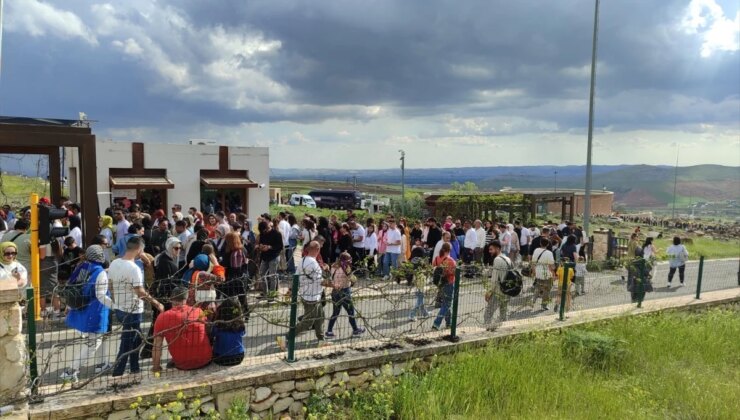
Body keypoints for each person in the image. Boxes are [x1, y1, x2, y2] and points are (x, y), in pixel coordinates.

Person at [108, 236, 164, 377]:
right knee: (126, 342)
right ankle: (118, 372)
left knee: (136, 338)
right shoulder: (134, 268)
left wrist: (116, 301)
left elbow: (110, 285)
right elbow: (140, 292)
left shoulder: (114, 263)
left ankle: (135, 367)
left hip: (120, 308)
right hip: (132, 310)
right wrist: (156, 303)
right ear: (139, 250)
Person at [60, 246, 111, 381]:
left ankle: (101, 363)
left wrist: (69, 306)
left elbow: (73, 287)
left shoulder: (82, 267)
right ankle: (71, 371)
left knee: (97, 338)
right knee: (93, 343)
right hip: (95, 311)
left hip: (80, 308)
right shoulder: (100, 272)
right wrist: (116, 306)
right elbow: (101, 295)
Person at [277, 241, 330, 350]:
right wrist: (334, 284)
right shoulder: (313, 264)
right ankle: (285, 338)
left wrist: (291, 290)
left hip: (307, 295)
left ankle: (321, 340)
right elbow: (320, 281)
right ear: (317, 249)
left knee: (320, 316)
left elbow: (296, 277)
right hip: (312, 297)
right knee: (307, 323)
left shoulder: (303, 260)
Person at [152, 287, 212, 372]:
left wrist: (156, 368)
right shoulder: (199, 311)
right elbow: (207, 332)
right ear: (187, 299)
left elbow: (157, 346)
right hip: (205, 360)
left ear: (171, 299)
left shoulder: (162, 317)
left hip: (182, 364)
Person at [325, 252, 365, 338]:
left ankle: (329, 331)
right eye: (349, 258)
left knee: (335, 312)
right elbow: (353, 279)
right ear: (345, 260)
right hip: (345, 291)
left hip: (335, 291)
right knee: (350, 311)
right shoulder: (346, 267)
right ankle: (355, 330)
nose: (351, 260)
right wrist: (354, 280)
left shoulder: (333, 266)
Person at [483, 240, 510, 331]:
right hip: (507, 290)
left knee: (488, 314)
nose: (489, 251)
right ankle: (501, 331)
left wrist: (489, 292)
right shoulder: (507, 258)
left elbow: (494, 279)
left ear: (498, 249)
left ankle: (488, 332)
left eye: (491, 249)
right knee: (503, 313)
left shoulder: (497, 259)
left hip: (498, 291)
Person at [211, 298, 246, 366]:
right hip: (238, 357)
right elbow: (243, 333)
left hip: (220, 358)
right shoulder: (240, 324)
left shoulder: (218, 325)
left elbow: (212, 335)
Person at [432, 243, 457, 331]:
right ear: (450, 250)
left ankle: (448, 323)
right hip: (449, 283)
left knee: (445, 303)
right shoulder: (451, 261)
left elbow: (434, 267)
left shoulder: (436, 258)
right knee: (447, 304)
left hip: (440, 284)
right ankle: (436, 323)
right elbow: (454, 272)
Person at [256, 221, 283, 295]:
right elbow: (260, 242)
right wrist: (260, 246)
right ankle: (265, 292)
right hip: (265, 256)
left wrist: (270, 247)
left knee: (272, 276)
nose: (264, 233)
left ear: (268, 227)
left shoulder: (277, 233)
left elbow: (280, 246)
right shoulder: (262, 233)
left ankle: (272, 294)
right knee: (261, 274)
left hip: (274, 256)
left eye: (265, 231)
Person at [531, 238, 555, 310]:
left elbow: (533, 262)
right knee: (547, 289)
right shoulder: (549, 253)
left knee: (538, 287)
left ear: (540, 243)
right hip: (546, 272)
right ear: (547, 244)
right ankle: (544, 305)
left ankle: (533, 300)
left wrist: (534, 271)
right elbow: (551, 265)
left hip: (538, 270)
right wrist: (553, 273)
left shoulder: (536, 250)